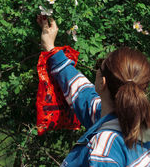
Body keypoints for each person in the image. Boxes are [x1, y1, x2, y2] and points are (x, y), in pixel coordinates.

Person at [37, 15, 150, 166]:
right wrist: (51, 48)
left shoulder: (104, 149)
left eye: (99, 65)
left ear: (103, 82)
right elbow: (82, 93)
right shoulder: (128, 120)